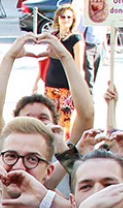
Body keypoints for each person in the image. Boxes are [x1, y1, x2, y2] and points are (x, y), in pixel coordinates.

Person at [43, 5, 84, 138]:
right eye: (63, 16)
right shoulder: (53, 36)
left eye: (69, 17)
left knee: (64, 121)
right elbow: (46, 60)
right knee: (49, 118)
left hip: (67, 85)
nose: (66, 20)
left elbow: (78, 65)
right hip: (51, 82)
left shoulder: (76, 39)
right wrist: (36, 80)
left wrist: (78, 87)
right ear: (57, 18)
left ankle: (64, 150)